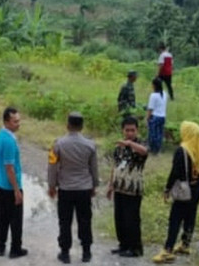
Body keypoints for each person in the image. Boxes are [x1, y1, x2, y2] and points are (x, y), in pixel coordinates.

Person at [48, 112, 99, 264]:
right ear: (82, 126)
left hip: (65, 189)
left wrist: (52, 185)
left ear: (68, 125)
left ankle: (65, 253)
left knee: (65, 221)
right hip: (84, 189)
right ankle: (86, 252)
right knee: (85, 220)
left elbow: (52, 166)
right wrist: (94, 185)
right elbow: (94, 168)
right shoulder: (90, 145)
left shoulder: (58, 144)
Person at [152, 121, 199, 264]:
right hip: (198, 187)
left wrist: (167, 189)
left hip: (185, 190)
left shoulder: (182, 150)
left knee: (175, 218)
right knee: (190, 215)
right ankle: (185, 244)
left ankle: (167, 250)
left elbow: (175, 172)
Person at [107, 116, 148, 257]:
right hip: (119, 187)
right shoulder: (119, 148)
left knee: (132, 219)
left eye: (133, 130)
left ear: (137, 130)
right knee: (120, 218)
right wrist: (110, 185)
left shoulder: (139, 144)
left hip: (133, 189)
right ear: (123, 130)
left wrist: (130, 144)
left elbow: (144, 151)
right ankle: (123, 245)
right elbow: (115, 166)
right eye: (127, 130)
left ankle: (135, 248)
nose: (130, 133)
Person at [0, 107, 28, 258]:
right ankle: (15, 249)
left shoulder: (1, 135)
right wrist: (17, 190)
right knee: (15, 219)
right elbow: (9, 168)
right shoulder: (8, 141)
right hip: (10, 186)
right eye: (15, 121)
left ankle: (1, 246)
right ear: (7, 122)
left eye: (18, 120)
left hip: (0, 184)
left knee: (2, 216)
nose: (18, 124)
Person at [147, 78, 168, 154]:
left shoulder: (153, 95)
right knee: (159, 134)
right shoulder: (165, 94)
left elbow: (150, 108)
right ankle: (158, 149)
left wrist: (147, 117)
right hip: (162, 116)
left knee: (153, 134)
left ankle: (153, 149)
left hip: (155, 116)